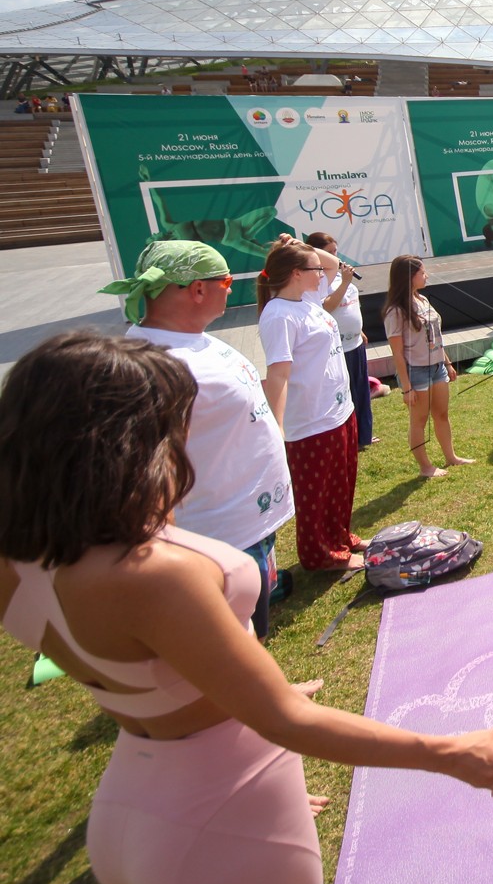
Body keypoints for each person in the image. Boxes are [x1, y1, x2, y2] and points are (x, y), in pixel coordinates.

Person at [0, 333, 493, 884]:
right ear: (123, 448)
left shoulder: (21, 561)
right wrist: (452, 752)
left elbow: (152, 670)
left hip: (128, 808)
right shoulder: (153, 574)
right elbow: (285, 719)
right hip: (227, 820)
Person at [104, 240, 294, 638]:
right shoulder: (151, 365)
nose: (231, 288)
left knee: (252, 629)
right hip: (217, 538)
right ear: (198, 289)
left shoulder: (192, 339)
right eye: (226, 281)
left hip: (246, 524)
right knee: (232, 642)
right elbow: (145, 472)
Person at [256, 238, 361, 572]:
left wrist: (301, 245)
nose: (323, 273)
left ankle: (340, 537)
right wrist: (277, 427)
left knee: (342, 482)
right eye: (313, 269)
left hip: (338, 410)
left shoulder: (306, 299)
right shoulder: (279, 315)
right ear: (296, 273)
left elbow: (332, 263)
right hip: (311, 421)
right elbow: (278, 375)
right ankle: (321, 555)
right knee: (317, 492)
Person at [383, 256, 474, 479]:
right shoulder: (396, 311)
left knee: (442, 414)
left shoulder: (422, 299)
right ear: (408, 277)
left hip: (437, 367)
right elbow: (397, 353)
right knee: (419, 420)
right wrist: (406, 387)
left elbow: (435, 336)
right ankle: (425, 467)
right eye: (422, 273)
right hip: (416, 371)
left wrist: (447, 363)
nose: (427, 276)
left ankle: (451, 457)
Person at [303, 232, 375, 450]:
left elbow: (352, 308)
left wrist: (359, 331)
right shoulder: (320, 281)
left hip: (355, 343)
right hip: (338, 348)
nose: (335, 256)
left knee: (361, 390)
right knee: (346, 392)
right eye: (329, 253)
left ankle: (364, 434)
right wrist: (344, 282)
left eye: (335, 251)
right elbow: (326, 307)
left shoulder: (345, 279)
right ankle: (351, 436)